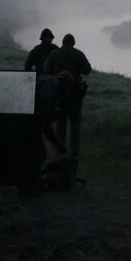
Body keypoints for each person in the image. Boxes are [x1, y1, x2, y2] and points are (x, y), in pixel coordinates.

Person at [43, 34, 92, 181]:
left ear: (63, 42)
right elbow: (87, 70)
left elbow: (46, 69)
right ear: (73, 43)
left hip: (60, 91)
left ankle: (60, 147)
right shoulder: (78, 53)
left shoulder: (54, 53)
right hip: (75, 92)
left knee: (61, 120)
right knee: (75, 121)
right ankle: (74, 151)